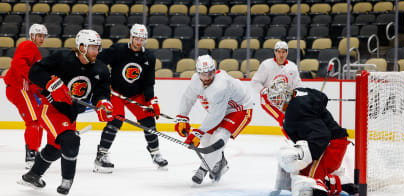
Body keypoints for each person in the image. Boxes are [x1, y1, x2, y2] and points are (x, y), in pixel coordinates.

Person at [19, 29, 112, 196]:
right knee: (70, 140)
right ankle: (67, 181)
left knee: (56, 147)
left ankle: (32, 175)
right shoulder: (62, 58)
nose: (96, 51)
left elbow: (102, 92)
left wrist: (103, 103)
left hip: (71, 113)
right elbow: (34, 71)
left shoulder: (101, 69)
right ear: (82, 46)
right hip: (51, 109)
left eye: (98, 48)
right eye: (93, 47)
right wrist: (51, 84)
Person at [263, 79, 356, 196]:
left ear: (285, 94)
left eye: (278, 98)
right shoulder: (301, 92)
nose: (276, 102)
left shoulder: (295, 110)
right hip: (333, 143)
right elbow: (322, 97)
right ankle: (341, 184)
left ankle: (317, 195)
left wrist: (307, 155)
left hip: (329, 146)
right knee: (301, 175)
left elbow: (322, 136)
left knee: (307, 181)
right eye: (274, 99)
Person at [94, 24, 167, 173]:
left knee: (148, 120)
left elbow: (148, 82)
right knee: (115, 120)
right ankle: (101, 155)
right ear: (131, 37)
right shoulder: (118, 50)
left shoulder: (149, 57)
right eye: (136, 38)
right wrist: (103, 80)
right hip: (116, 93)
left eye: (142, 39)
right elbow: (99, 62)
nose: (139, 42)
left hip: (136, 94)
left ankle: (155, 152)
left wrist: (151, 100)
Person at [174, 54, 254, 184]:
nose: (207, 78)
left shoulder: (220, 85)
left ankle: (202, 170)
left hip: (240, 110)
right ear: (198, 72)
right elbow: (188, 98)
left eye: (210, 74)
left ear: (214, 71)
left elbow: (216, 115)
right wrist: (182, 117)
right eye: (203, 74)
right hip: (220, 110)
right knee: (206, 140)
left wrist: (197, 132)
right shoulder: (195, 80)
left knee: (218, 139)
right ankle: (220, 161)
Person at [4, 24, 47, 169]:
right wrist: (34, 78)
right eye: (39, 35)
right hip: (19, 89)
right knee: (34, 121)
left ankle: (34, 151)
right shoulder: (28, 45)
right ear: (32, 35)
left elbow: (32, 77)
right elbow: (17, 63)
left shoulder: (35, 51)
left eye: (43, 36)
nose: (41, 38)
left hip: (24, 90)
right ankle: (31, 154)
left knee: (39, 120)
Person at [250, 41, 303, 128]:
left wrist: (300, 94)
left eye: (283, 52)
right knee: (282, 119)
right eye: (279, 52)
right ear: (275, 52)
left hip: (286, 100)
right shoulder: (266, 65)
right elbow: (255, 82)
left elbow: (297, 84)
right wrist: (265, 91)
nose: (281, 55)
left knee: (292, 118)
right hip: (269, 101)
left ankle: (295, 138)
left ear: (287, 53)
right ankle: (293, 139)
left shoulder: (292, 67)